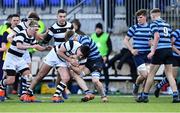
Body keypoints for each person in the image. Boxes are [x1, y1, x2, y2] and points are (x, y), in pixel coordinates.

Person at [21, 40, 90, 102]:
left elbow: (79, 72)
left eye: (82, 56)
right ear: (79, 49)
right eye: (80, 55)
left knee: (66, 78)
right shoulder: (72, 44)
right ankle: (27, 94)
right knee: (40, 76)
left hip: (63, 61)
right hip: (54, 55)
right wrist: (70, 60)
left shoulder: (84, 57)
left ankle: (56, 96)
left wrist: (71, 65)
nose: (80, 57)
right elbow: (59, 52)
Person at [137, 8, 180, 103]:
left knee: (151, 74)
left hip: (159, 50)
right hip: (168, 50)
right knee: (169, 74)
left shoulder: (154, 24)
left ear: (153, 16)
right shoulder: (167, 24)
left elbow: (157, 36)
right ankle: (175, 95)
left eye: (151, 17)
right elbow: (171, 39)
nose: (151, 19)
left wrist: (152, 51)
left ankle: (144, 95)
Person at [0, 21, 49, 102]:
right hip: (11, 58)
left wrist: (46, 48)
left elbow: (37, 47)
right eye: (35, 29)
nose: (36, 31)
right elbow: (19, 46)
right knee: (10, 80)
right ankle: (1, 85)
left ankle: (25, 95)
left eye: (37, 29)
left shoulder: (32, 37)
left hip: (19, 58)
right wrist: (32, 46)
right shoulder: (22, 34)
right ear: (30, 27)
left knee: (29, 77)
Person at [65, 30, 108, 102]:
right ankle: (88, 93)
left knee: (95, 81)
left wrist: (74, 59)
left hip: (96, 61)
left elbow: (85, 52)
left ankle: (103, 96)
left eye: (71, 41)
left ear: (74, 37)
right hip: (89, 62)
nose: (71, 43)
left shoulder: (84, 39)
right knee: (76, 74)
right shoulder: (78, 43)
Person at [123, 9, 151, 98]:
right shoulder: (134, 28)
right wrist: (131, 50)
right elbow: (126, 40)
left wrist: (152, 44)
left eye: (140, 17)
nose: (138, 19)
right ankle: (136, 85)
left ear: (145, 17)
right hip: (138, 55)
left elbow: (154, 40)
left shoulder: (151, 28)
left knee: (148, 76)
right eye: (137, 18)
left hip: (148, 54)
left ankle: (143, 94)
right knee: (145, 74)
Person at [154, 28, 180, 98]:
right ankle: (159, 86)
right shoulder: (177, 32)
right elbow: (171, 44)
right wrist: (178, 52)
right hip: (176, 57)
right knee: (172, 76)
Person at [91, 23, 112, 94]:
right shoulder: (92, 36)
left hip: (104, 58)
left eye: (99, 28)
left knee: (105, 72)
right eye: (97, 28)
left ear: (102, 29)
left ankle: (106, 87)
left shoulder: (106, 36)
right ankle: (96, 88)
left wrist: (106, 55)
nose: (98, 30)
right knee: (95, 73)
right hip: (95, 58)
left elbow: (110, 48)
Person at [2, 14, 20, 94]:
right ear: (11, 21)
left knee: (22, 75)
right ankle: (2, 93)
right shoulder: (7, 32)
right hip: (8, 58)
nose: (16, 22)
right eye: (14, 20)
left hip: (19, 58)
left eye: (17, 20)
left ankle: (23, 93)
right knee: (5, 76)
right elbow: (4, 46)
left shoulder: (21, 32)